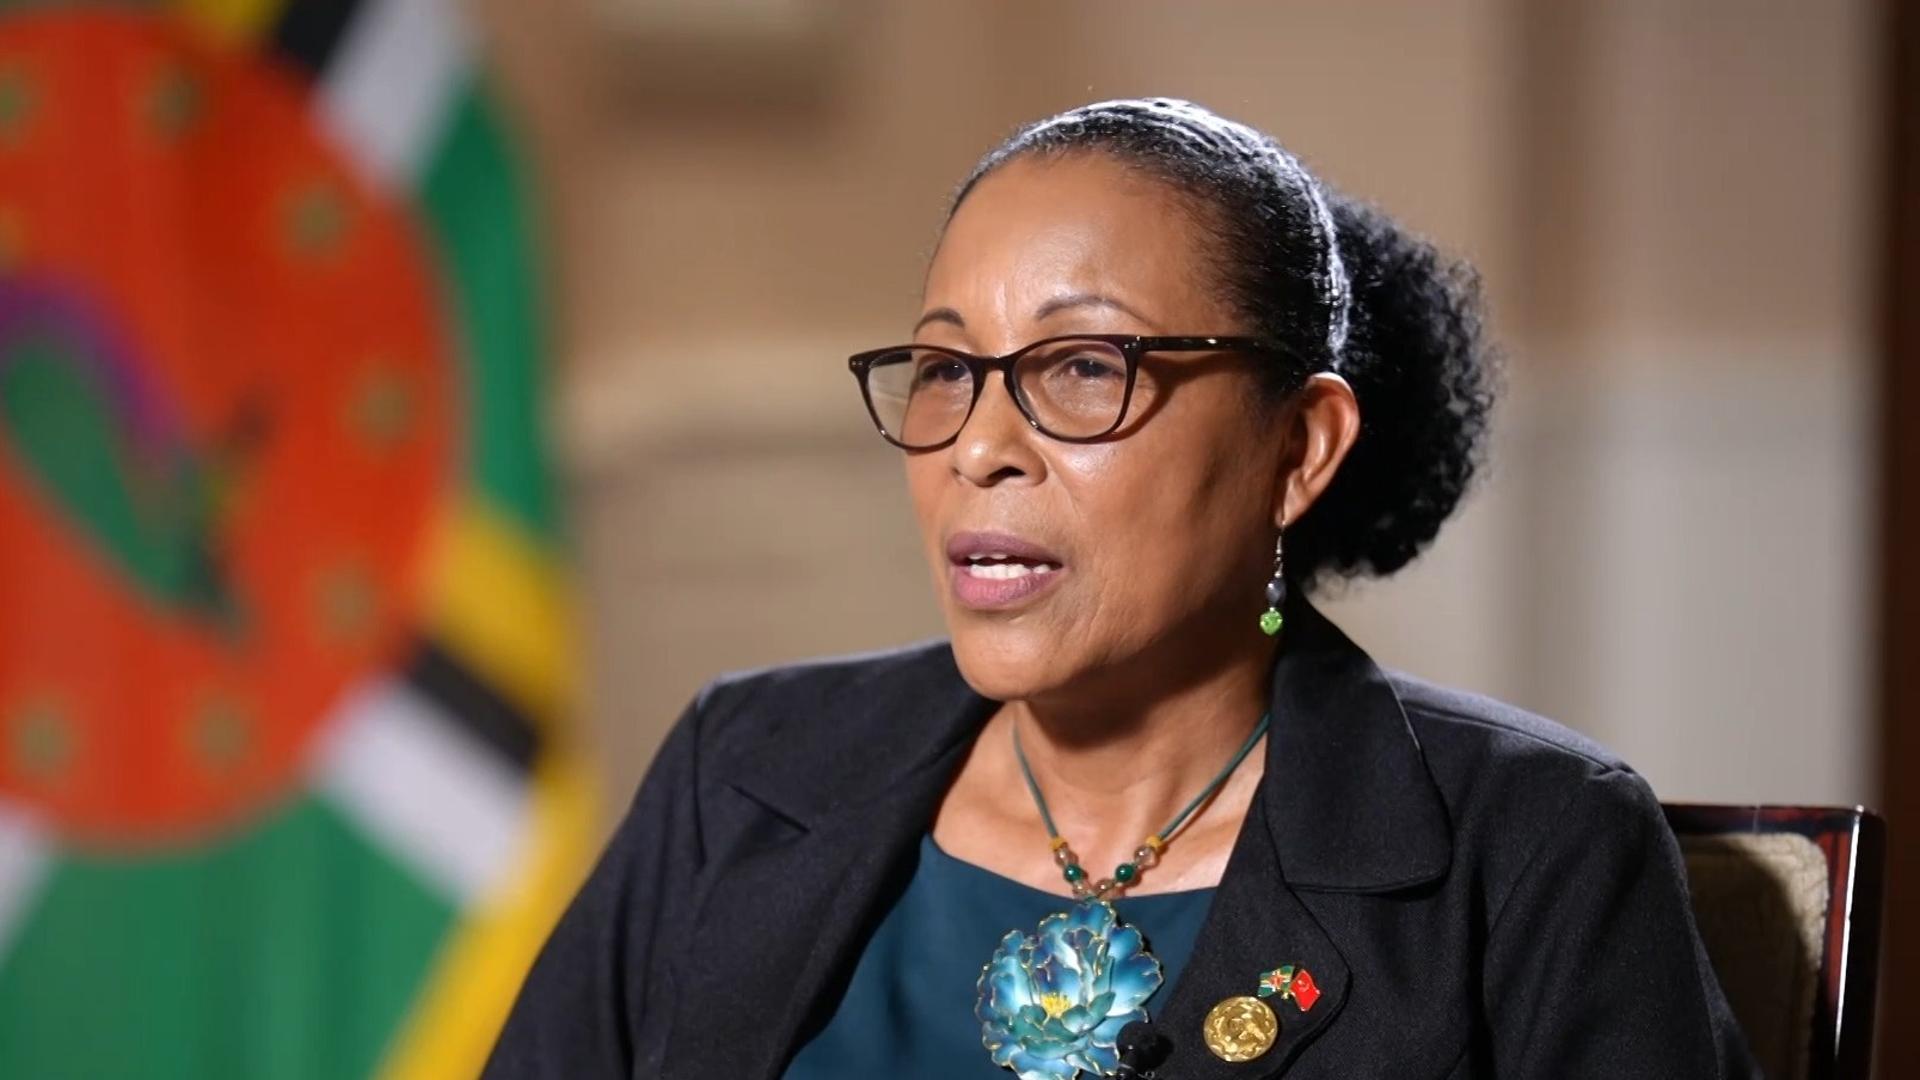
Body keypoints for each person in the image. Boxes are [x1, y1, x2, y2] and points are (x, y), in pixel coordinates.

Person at [484, 98, 1754, 1079]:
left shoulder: (1532, 849)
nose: (980, 446)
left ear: (1299, 448)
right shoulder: (743, 773)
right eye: (946, 369)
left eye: (1084, 366)